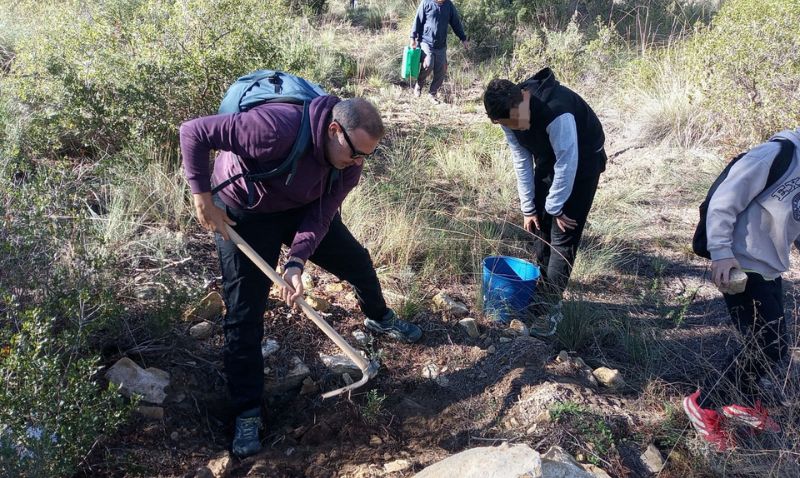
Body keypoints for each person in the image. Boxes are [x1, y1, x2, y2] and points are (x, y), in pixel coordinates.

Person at [179, 95, 422, 457]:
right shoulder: (273, 129)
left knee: (356, 261)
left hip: (300, 206)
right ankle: (246, 412)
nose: (359, 163)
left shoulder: (350, 163)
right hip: (243, 210)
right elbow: (193, 131)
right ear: (334, 130)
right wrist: (202, 197)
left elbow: (321, 215)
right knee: (245, 312)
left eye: (366, 156)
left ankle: (378, 317)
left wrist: (295, 262)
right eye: (356, 153)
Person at [682, 128, 800, 450]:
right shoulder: (778, 154)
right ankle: (704, 403)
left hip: (770, 265)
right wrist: (720, 252)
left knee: (766, 343)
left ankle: (743, 402)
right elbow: (725, 199)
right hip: (741, 261)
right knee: (769, 344)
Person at [482, 68, 607, 328]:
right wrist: (529, 208)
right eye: (508, 125)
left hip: (582, 163)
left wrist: (557, 205)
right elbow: (521, 159)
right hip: (549, 159)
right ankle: (536, 291)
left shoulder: (557, 111)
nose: (516, 128)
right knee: (539, 225)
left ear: (524, 100)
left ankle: (550, 308)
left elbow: (568, 161)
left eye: (517, 121)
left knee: (562, 234)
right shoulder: (506, 114)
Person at [409, 0, 469, 103]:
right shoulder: (426, 3)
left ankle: (432, 94)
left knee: (441, 70)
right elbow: (417, 21)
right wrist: (413, 38)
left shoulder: (449, 5)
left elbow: (456, 23)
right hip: (425, 42)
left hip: (441, 45)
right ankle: (418, 86)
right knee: (428, 64)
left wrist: (463, 38)